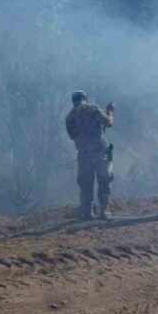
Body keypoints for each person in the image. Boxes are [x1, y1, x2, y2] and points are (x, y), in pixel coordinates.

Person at [65, 90, 115, 220]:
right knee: (105, 180)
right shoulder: (93, 109)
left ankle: (87, 212)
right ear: (85, 98)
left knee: (85, 183)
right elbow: (108, 122)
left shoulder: (70, 117)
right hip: (101, 150)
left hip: (83, 154)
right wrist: (110, 110)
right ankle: (104, 211)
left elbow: (72, 136)